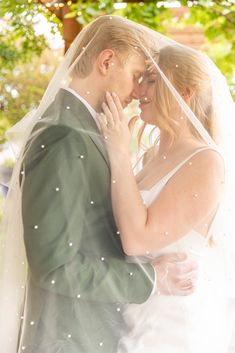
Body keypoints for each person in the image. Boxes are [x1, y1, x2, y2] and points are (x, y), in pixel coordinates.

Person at [0, 16, 198, 353]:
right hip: (70, 338)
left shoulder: (86, 130)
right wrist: (151, 278)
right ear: (106, 61)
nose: (139, 93)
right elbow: (55, 265)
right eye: (137, 77)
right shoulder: (64, 135)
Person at [97, 44, 235, 352]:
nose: (139, 89)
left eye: (152, 80)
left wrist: (118, 150)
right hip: (134, 313)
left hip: (173, 328)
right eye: (142, 78)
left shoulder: (205, 161)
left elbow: (136, 239)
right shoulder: (148, 158)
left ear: (185, 93)